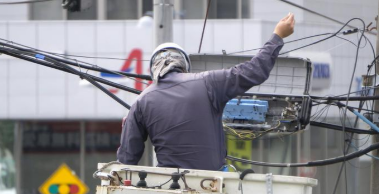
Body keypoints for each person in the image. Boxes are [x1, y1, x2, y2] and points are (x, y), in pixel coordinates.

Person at [117, 13, 295, 171]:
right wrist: (277, 36)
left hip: (168, 188)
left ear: (152, 69)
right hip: (211, 185)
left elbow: (127, 159)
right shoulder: (208, 83)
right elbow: (253, 71)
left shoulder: (141, 102)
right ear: (185, 65)